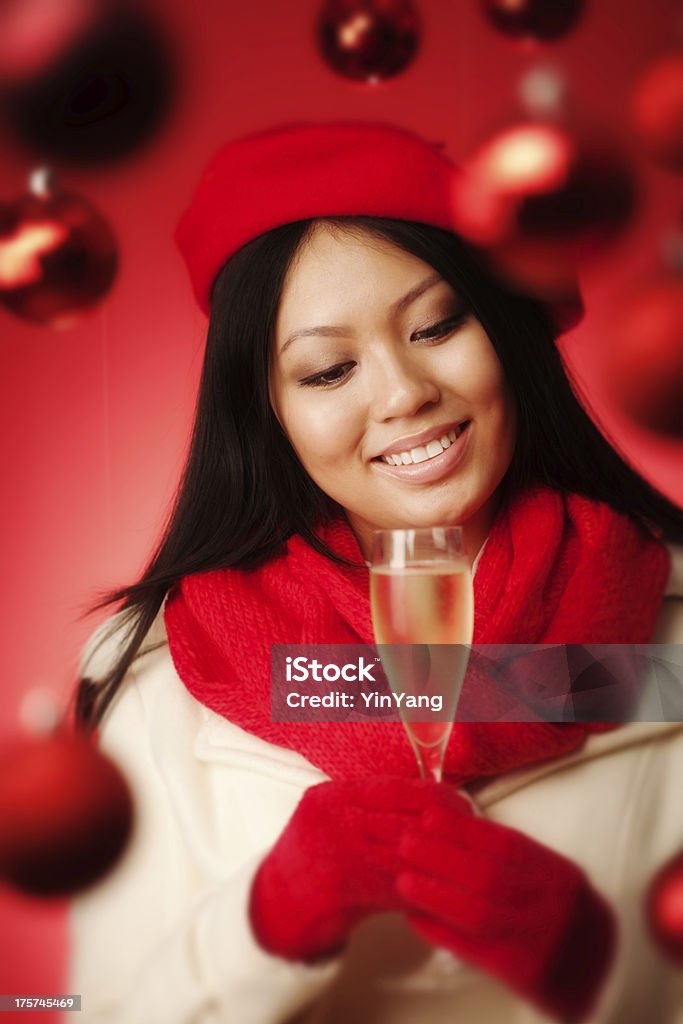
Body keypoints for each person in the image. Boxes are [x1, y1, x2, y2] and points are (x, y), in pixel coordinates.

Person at [69, 121, 683, 1024]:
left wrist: (607, 973)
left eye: (436, 325)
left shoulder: (666, 631)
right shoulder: (160, 674)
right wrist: (258, 933)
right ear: (266, 412)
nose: (400, 394)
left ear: (504, 335)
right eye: (326, 371)